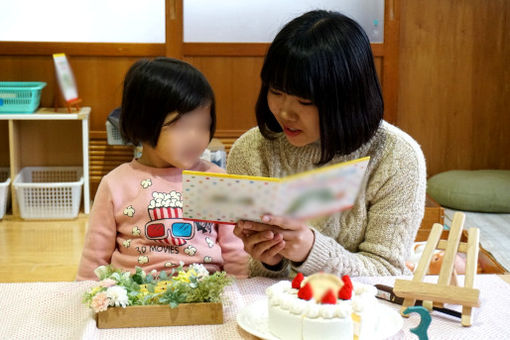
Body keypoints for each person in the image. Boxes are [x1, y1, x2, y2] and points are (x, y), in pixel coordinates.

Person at [227, 10, 426, 278]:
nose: (285, 112)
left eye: (305, 101)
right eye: (276, 92)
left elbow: (386, 271)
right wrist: (270, 261)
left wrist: (310, 250)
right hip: (278, 308)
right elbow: (262, 277)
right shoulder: (252, 151)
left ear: (348, 99)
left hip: (361, 311)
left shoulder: (397, 157)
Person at [77, 57, 248, 280]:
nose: (195, 137)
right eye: (182, 126)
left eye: (203, 125)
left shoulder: (214, 179)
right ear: (144, 122)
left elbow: (235, 252)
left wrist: (239, 296)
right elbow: (95, 258)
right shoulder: (116, 183)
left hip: (205, 294)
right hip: (136, 296)